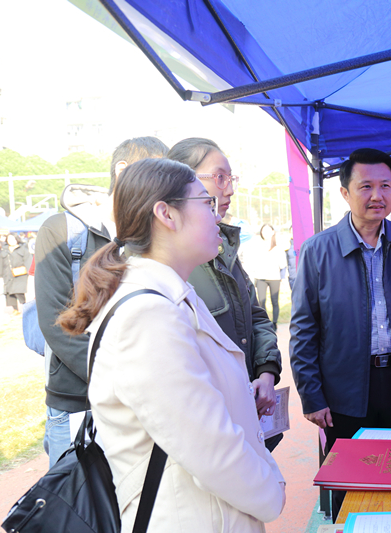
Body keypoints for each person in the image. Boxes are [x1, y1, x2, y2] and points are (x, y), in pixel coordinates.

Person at [56, 158, 285, 532]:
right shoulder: (147, 314)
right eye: (206, 203)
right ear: (166, 214)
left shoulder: (172, 296)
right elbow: (209, 447)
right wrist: (271, 491)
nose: (217, 215)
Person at [290, 147, 391, 520]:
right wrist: (312, 396)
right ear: (345, 192)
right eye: (366, 186)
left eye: (386, 186)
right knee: (350, 486)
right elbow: (303, 331)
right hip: (344, 389)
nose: (378, 195)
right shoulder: (317, 250)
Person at [35, 137, 169, 468]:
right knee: (77, 499)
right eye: (155, 172)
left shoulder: (151, 235)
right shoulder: (62, 230)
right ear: (122, 170)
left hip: (140, 404)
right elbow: (57, 323)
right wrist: (124, 382)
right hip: (78, 401)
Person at [168, 138, 283, 450]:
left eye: (231, 178)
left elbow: (256, 316)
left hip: (249, 419)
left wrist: (266, 372)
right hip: (212, 434)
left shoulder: (225, 251)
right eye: (220, 177)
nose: (229, 189)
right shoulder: (170, 267)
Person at [250, 223, 287, 327]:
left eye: (267, 230)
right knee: (261, 301)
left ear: (273, 232)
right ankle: (264, 323)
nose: (265, 233)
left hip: (274, 277)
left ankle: (275, 323)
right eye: (263, 230)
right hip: (260, 277)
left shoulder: (278, 248)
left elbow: (283, 264)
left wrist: (283, 278)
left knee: (274, 301)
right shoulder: (257, 246)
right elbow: (253, 263)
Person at [0, 232, 32, 314]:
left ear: (17, 239)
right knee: (10, 293)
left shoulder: (23, 249)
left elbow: (28, 261)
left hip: (20, 274)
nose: (11, 241)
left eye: (13, 239)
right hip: (8, 274)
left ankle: (25, 307)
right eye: (9, 239)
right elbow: (0, 263)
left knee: (19, 291)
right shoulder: (4, 250)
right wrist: (0, 275)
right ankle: (15, 310)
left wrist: (30, 272)